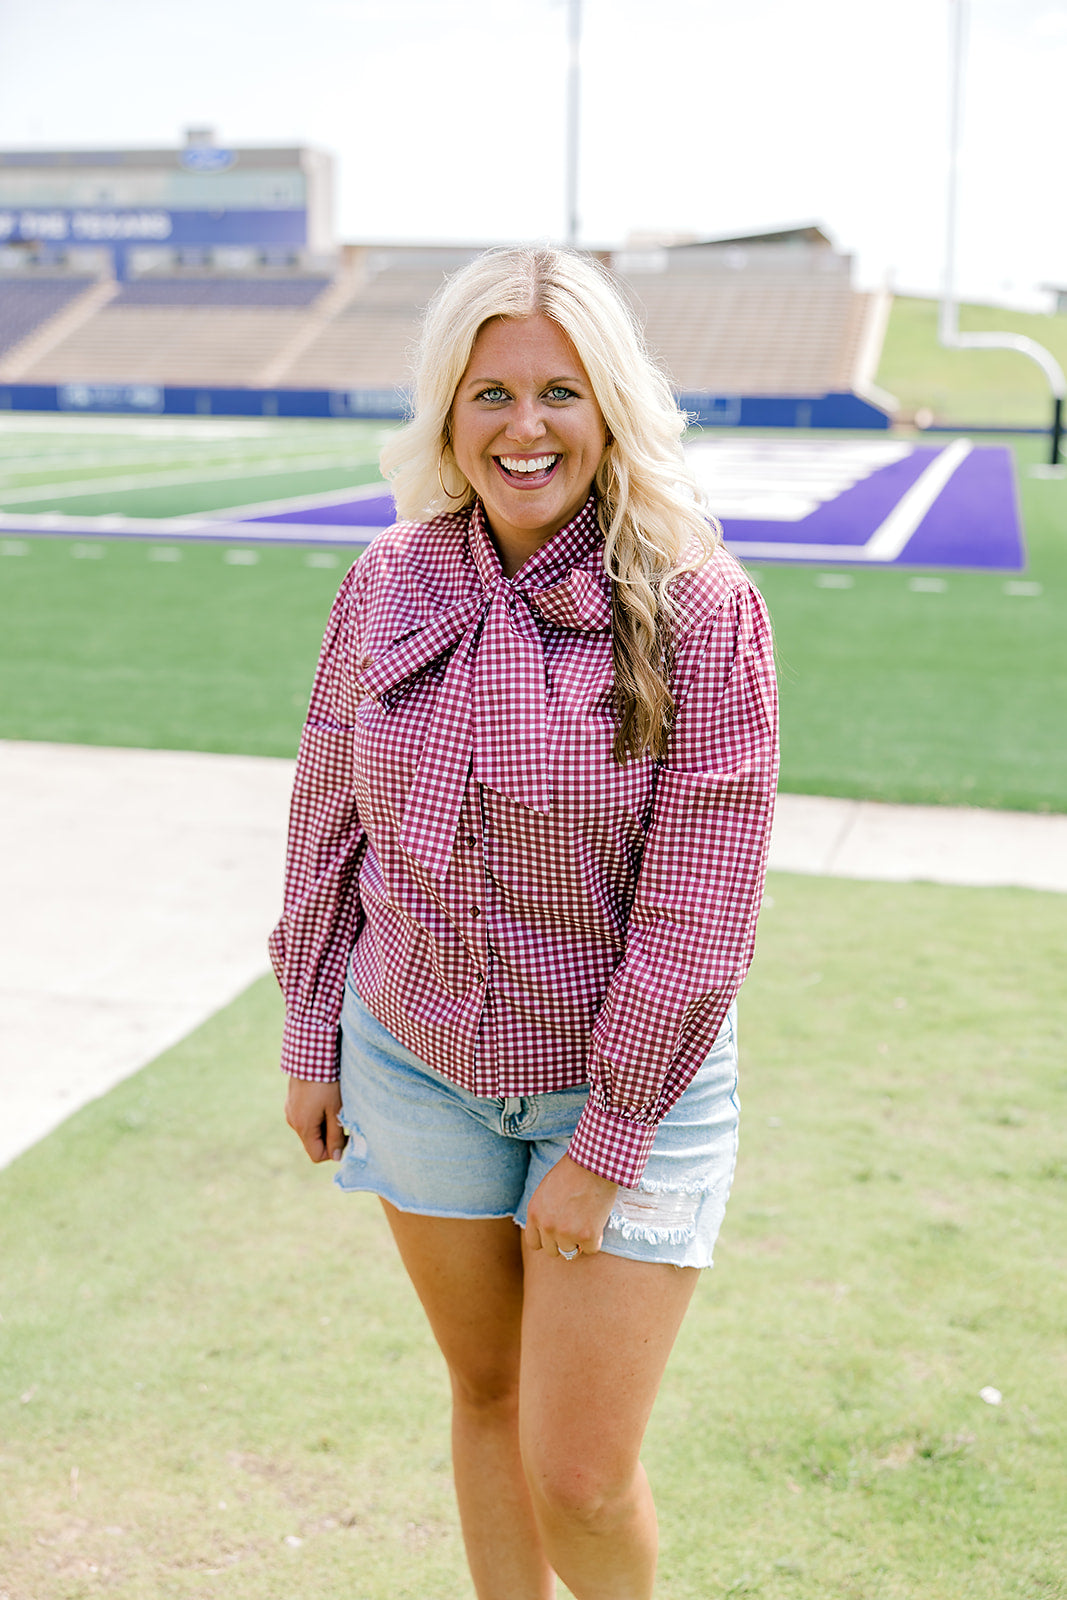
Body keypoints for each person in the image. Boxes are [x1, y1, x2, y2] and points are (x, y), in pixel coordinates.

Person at [272, 245, 779, 1600]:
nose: (525, 426)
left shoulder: (701, 606)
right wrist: (311, 1033)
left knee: (582, 1475)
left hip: (624, 1087)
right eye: (490, 393)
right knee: (486, 1394)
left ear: (611, 407)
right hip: (413, 1057)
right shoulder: (387, 580)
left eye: (560, 391)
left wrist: (605, 1146)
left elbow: (701, 910)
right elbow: (328, 816)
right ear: (448, 412)